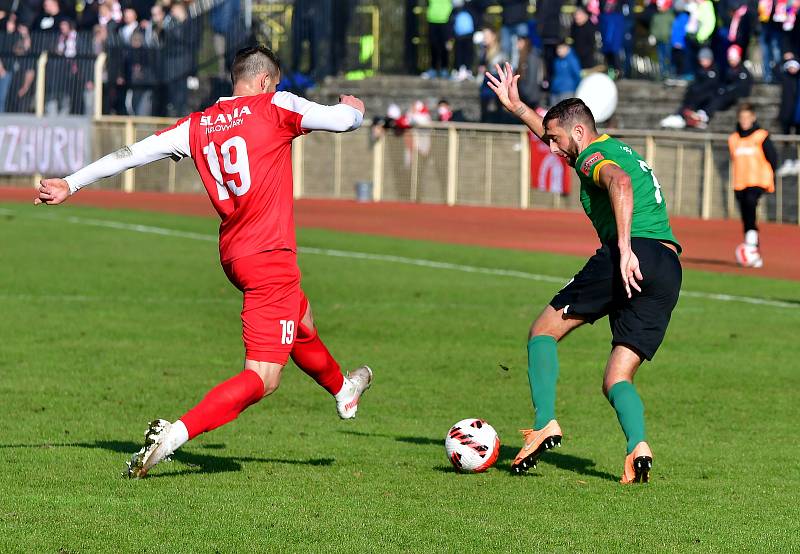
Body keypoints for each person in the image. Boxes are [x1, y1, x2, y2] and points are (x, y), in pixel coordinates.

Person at [34, 45, 374, 479]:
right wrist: (354, 107)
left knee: (300, 319)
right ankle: (174, 435)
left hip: (235, 256)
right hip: (270, 257)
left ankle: (344, 390)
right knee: (264, 378)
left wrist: (72, 183)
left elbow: (132, 154)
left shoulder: (197, 125)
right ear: (268, 80)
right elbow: (345, 121)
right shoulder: (276, 105)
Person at [486, 62, 682, 483]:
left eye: (556, 141)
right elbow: (554, 130)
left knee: (542, 332)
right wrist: (518, 107)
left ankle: (544, 423)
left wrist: (625, 250)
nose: (552, 150)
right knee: (617, 377)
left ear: (578, 133)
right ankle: (638, 446)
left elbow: (620, 185)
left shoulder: (594, 155)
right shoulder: (611, 145)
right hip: (668, 268)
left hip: (633, 254)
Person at [728, 103, 777, 268]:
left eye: (747, 118)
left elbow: (773, 158)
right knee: (746, 215)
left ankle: (751, 245)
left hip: (758, 180)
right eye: (742, 118)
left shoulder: (761, 136)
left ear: (753, 118)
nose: (744, 121)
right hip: (740, 182)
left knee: (750, 202)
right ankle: (753, 250)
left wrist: (772, 177)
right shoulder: (734, 139)